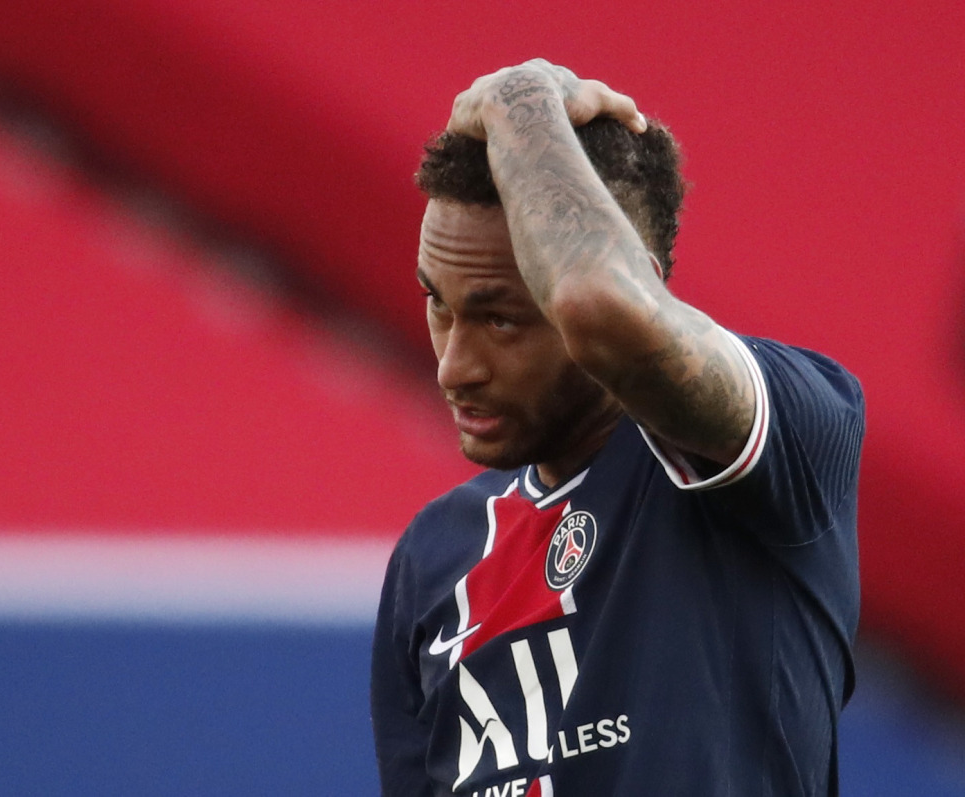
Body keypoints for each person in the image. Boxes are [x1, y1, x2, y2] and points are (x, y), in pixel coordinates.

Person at [370, 59, 864, 796]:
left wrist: (520, 100)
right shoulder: (432, 556)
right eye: (439, 304)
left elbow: (601, 305)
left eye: (502, 316)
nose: (454, 366)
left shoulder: (788, 434)